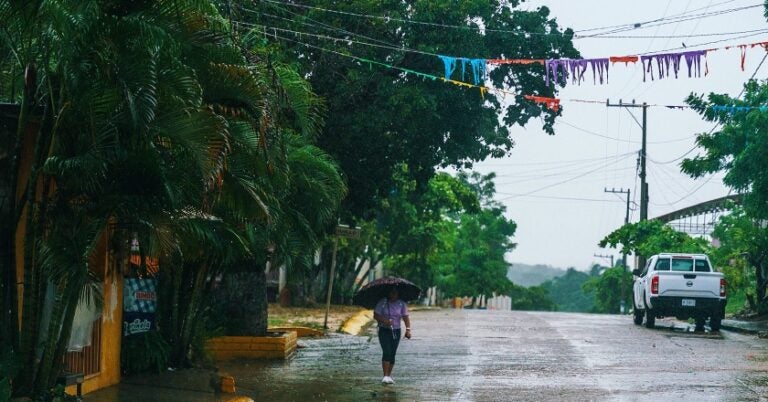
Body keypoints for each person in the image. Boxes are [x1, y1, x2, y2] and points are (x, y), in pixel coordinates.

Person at [373, 288, 411, 385]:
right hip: (384, 330)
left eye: (395, 292)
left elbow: (405, 317)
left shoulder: (401, 304)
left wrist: (408, 330)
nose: (393, 294)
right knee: (387, 351)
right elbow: (376, 315)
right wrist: (385, 320)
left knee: (393, 353)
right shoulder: (383, 302)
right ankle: (385, 375)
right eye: (391, 292)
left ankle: (389, 375)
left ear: (398, 294)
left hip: (396, 331)